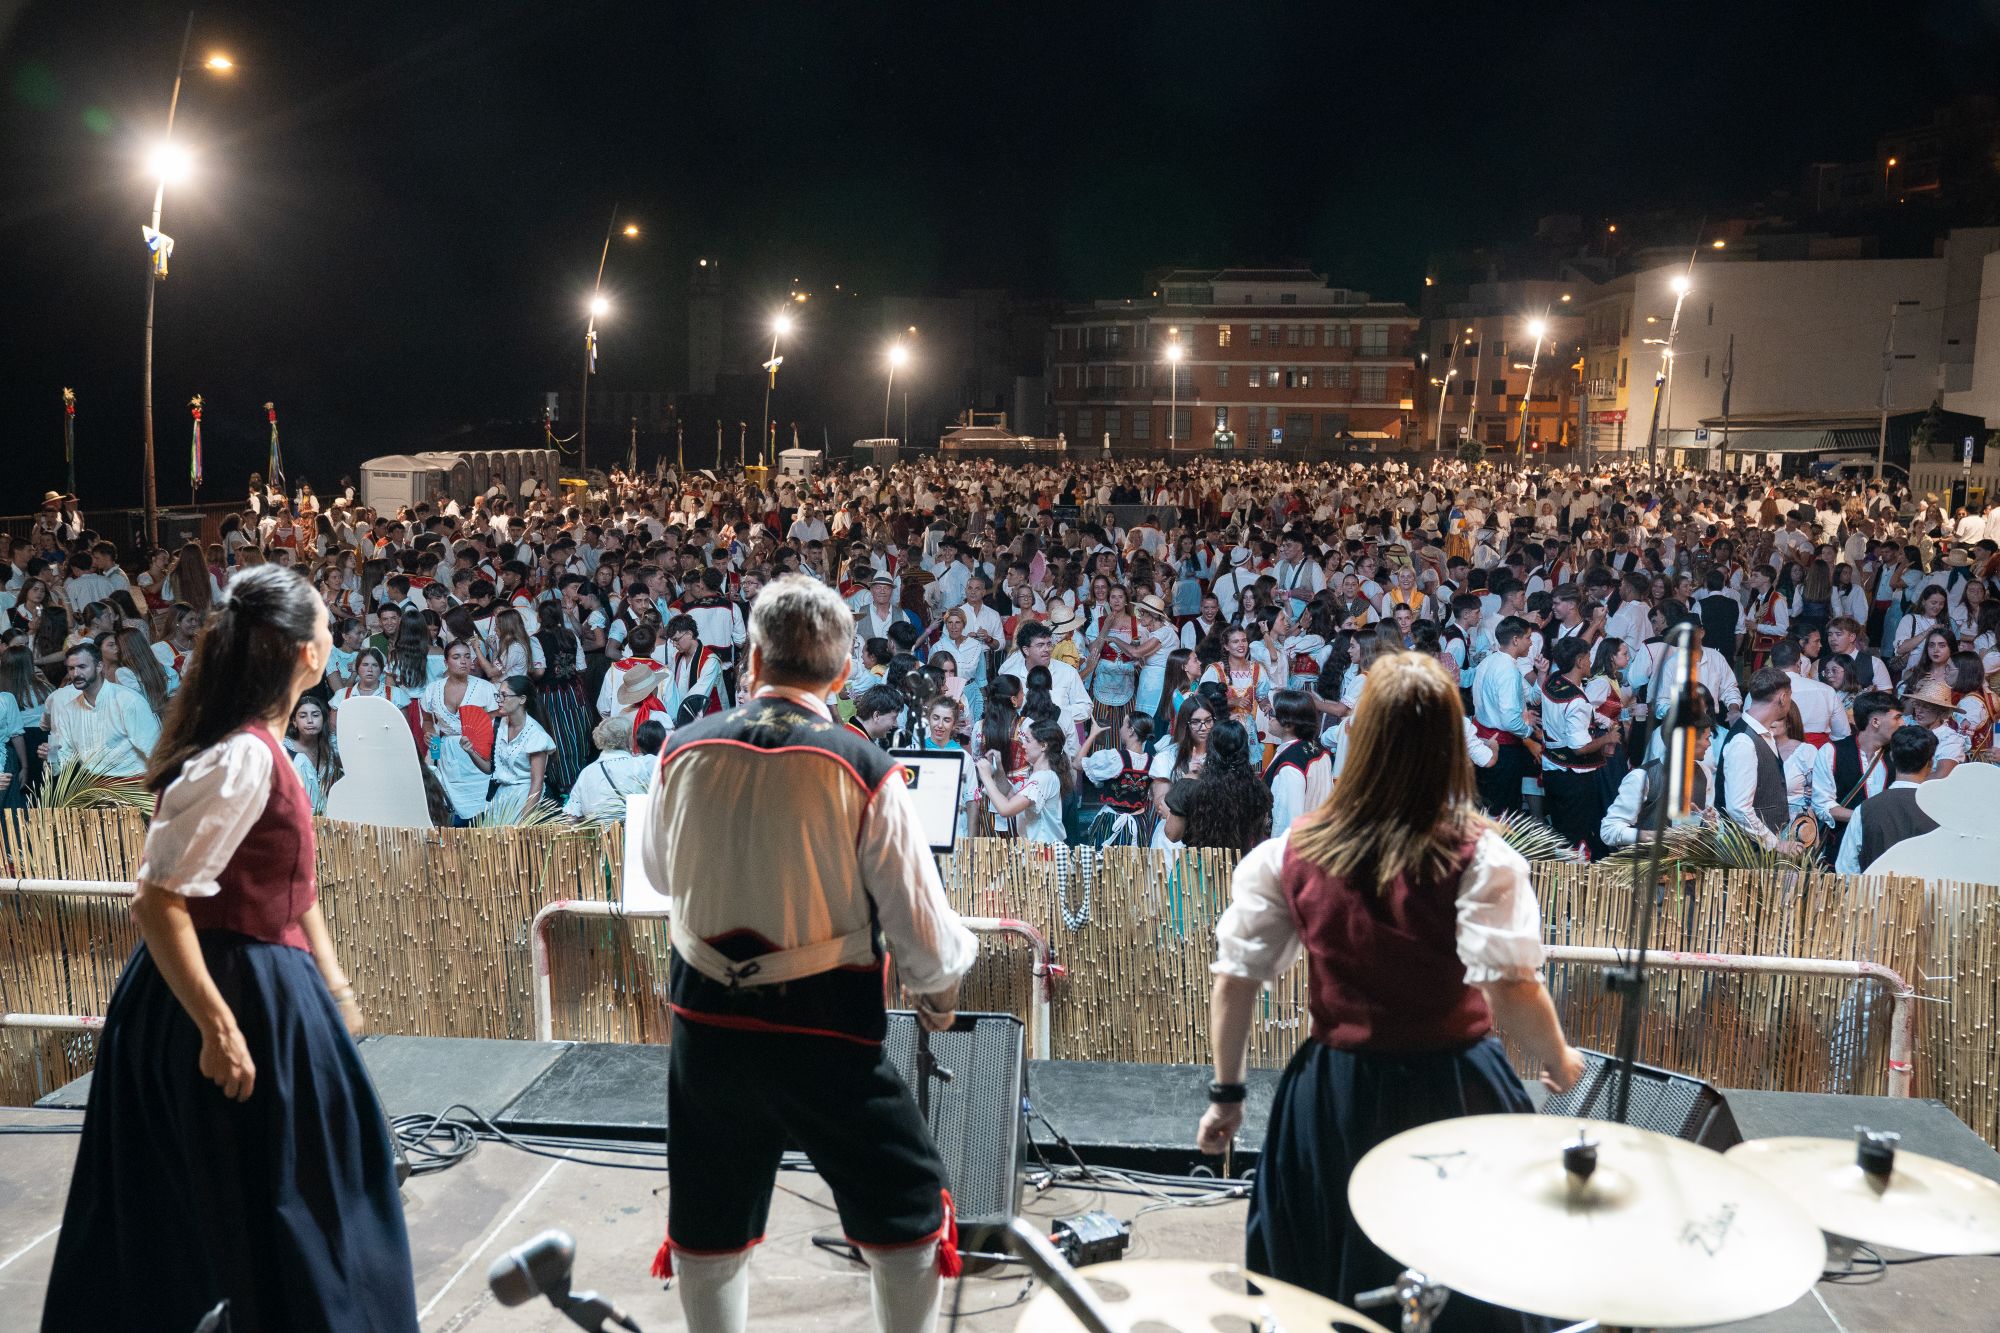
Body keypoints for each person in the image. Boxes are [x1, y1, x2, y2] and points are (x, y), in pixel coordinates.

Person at [40, 564, 418, 1332]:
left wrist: (337, 988)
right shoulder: (241, 757)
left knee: (300, 1187)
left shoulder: (262, 749)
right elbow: (157, 897)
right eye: (325, 626)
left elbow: (292, 884)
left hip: (266, 983)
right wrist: (217, 1027)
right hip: (226, 990)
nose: (332, 638)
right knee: (274, 1201)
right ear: (303, 653)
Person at [638, 574, 977, 1333]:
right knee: (910, 1206)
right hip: (825, 1030)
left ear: (751, 660)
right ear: (844, 672)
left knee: (710, 1211)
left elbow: (659, 873)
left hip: (706, 1025)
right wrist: (939, 994)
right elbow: (919, 924)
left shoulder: (681, 750)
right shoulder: (864, 767)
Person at [1198, 650, 1581, 1317]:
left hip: (1335, 1098)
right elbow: (1512, 988)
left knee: (1326, 1287)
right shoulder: (1481, 856)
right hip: (1454, 1092)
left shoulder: (1289, 851)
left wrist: (1227, 1097)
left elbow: (1236, 978)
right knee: (1471, 1287)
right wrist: (1558, 1058)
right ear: (1448, 744)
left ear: (1363, 736)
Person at [1539, 636, 1617, 858]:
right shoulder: (1577, 702)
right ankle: (1574, 881)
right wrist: (1608, 738)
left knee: (1560, 829)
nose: (1591, 663)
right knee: (1577, 832)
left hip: (1551, 767)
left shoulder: (1553, 681)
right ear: (1580, 661)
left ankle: (1558, 876)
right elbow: (1579, 748)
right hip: (1573, 777)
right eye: (1589, 658)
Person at [42, 640, 161, 778]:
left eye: (82, 666)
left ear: (99, 666)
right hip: (94, 786)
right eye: (71, 668)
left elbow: (155, 751)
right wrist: (50, 756)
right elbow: (58, 767)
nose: (75, 673)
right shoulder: (68, 709)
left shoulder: (128, 700)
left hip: (134, 783)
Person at [1835, 724, 1941, 874]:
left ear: (1892, 757)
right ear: (1930, 763)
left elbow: (1846, 869)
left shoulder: (1865, 809)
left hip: (1874, 895)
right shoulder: (1941, 809)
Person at [1716, 667, 1802, 853]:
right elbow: (1738, 808)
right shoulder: (1744, 741)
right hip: (1745, 854)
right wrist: (1776, 843)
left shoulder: (1761, 734)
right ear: (1783, 698)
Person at [421, 638, 500, 825]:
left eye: (467, 656)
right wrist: (430, 737)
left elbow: (497, 725)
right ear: (446, 662)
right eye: (456, 657)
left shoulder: (486, 688)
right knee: (453, 808)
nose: (463, 661)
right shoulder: (433, 689)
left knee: (483, 809)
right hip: (448, 754)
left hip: (478, 753)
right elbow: (427, 722)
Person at [1812, 689, 1903, 852]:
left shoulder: (1898, 754)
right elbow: (1824, 805)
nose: (1902, 723)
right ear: (1875, 722)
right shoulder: (1831, 751)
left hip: (1886, 847)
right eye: (1897, 717)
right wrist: (1865, 817)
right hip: (1843, 846)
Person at [1469, 616, 1537, 814]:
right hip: (1503, 747)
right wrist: (1528, 730)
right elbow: (1509, 720)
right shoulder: (1507, 669)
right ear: (1516, 640)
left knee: (1488, 803)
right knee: (1504, 808)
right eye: (1528, 637)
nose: (1531, 642)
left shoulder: (1490, 661)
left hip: (1484, 738)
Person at [1180, 719, 1273, 854]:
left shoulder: (1197, 787)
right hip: (1241, 865)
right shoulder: (1257, 789)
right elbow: (1260, 832)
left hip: (1204, 866)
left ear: (1212, 748)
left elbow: (1173, 833)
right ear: (1244, 748)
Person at [975, 717, 1072, 843]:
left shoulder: (1044, 777)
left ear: (1043, 746)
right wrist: (999, 769)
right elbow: (1011, 795)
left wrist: (986, 777)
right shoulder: (1039, 775)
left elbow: (1006, 809)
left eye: (1027, 740)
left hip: (1043, 854)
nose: (1023, 745)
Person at [1264, 688, 1332, 834]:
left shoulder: (1290, 766)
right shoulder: (1319, 749)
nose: (1269, 718)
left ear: (1289, 724)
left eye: (1273, 714)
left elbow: (1286, 822)